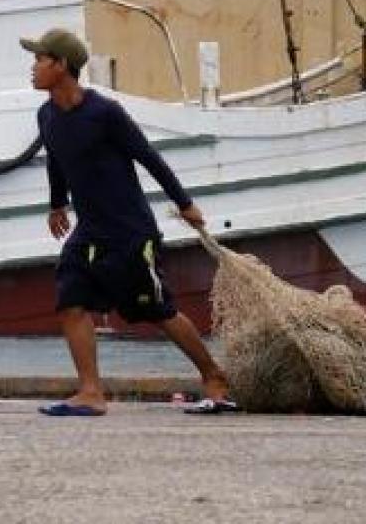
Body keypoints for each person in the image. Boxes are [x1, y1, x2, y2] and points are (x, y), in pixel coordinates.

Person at [20, 27, 234, 417]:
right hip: (89, 231)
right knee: (71, 302)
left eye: (39, 59)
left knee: (157, 309)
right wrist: (56, 206)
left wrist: (184, 203)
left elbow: (148, 157)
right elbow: (56, 159)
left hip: (130, 232)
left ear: (62, 65)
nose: (32, 68)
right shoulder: (46, 114)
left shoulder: (104, 113)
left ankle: (213, 375)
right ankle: (90, 392)